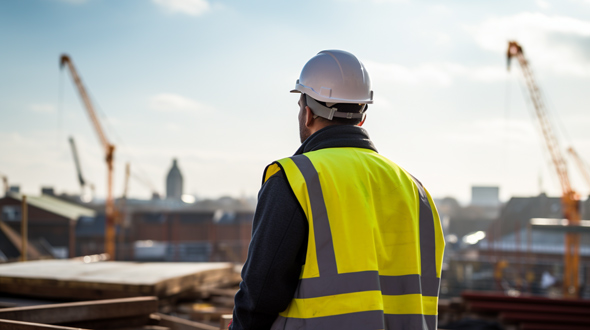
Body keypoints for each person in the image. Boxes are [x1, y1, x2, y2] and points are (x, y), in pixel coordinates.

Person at [230, 50, 445, 330]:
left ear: (307, 113)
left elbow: (259, 297)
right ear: (362, 116)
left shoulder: (295, 180)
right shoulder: (416, 191)